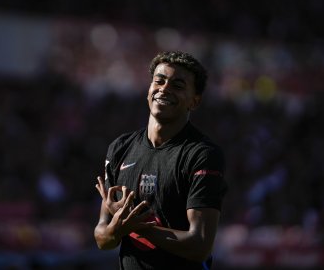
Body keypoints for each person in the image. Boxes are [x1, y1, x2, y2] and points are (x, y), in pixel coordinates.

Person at [94, 51, 228, 269]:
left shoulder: (202, 154)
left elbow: (200, 245)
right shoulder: (120, 148)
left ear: (195, 101)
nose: (164, 89)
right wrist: (117, 227)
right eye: (159, 81)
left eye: (177, 85)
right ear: (149, 89)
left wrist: (135, 225)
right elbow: (103, 238)